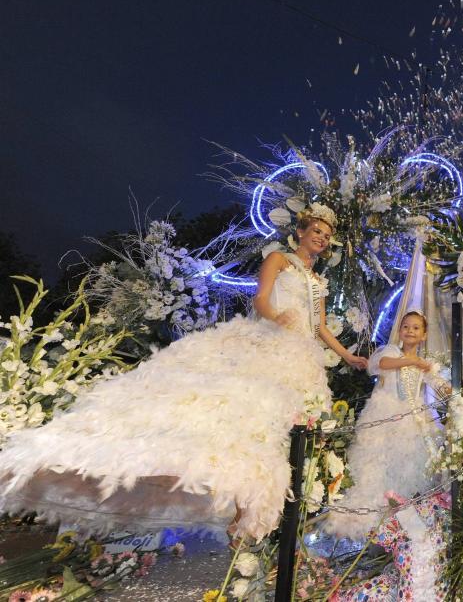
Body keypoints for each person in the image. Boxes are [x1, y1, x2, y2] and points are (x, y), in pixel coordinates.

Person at [0, 205, 367, 543]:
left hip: (303, 358)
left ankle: (258, 519)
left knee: (285, 431)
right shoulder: (278, 259)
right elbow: (261, 298)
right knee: (247, 415)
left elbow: (319, 327)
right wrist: (276, 318)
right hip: (271, 345)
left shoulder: (318, 281)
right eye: (315, 230)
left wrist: (348, 356)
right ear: (300, 231)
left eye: (326, 234)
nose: (321, 237)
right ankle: (235, 510)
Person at [324, 311, 450, 540]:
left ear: (424, 335)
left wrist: (451, 392)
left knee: (407, 467)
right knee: (379, 467)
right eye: (406, 327)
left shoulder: (424, 364)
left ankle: (401, 522)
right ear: (400, 331)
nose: (410, 331)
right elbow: (381, 364)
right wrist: (412, 361)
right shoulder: (392, 352)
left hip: (412, 423)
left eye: (415, 328)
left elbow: (438, 383)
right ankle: (373, 521)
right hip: (385, 416)